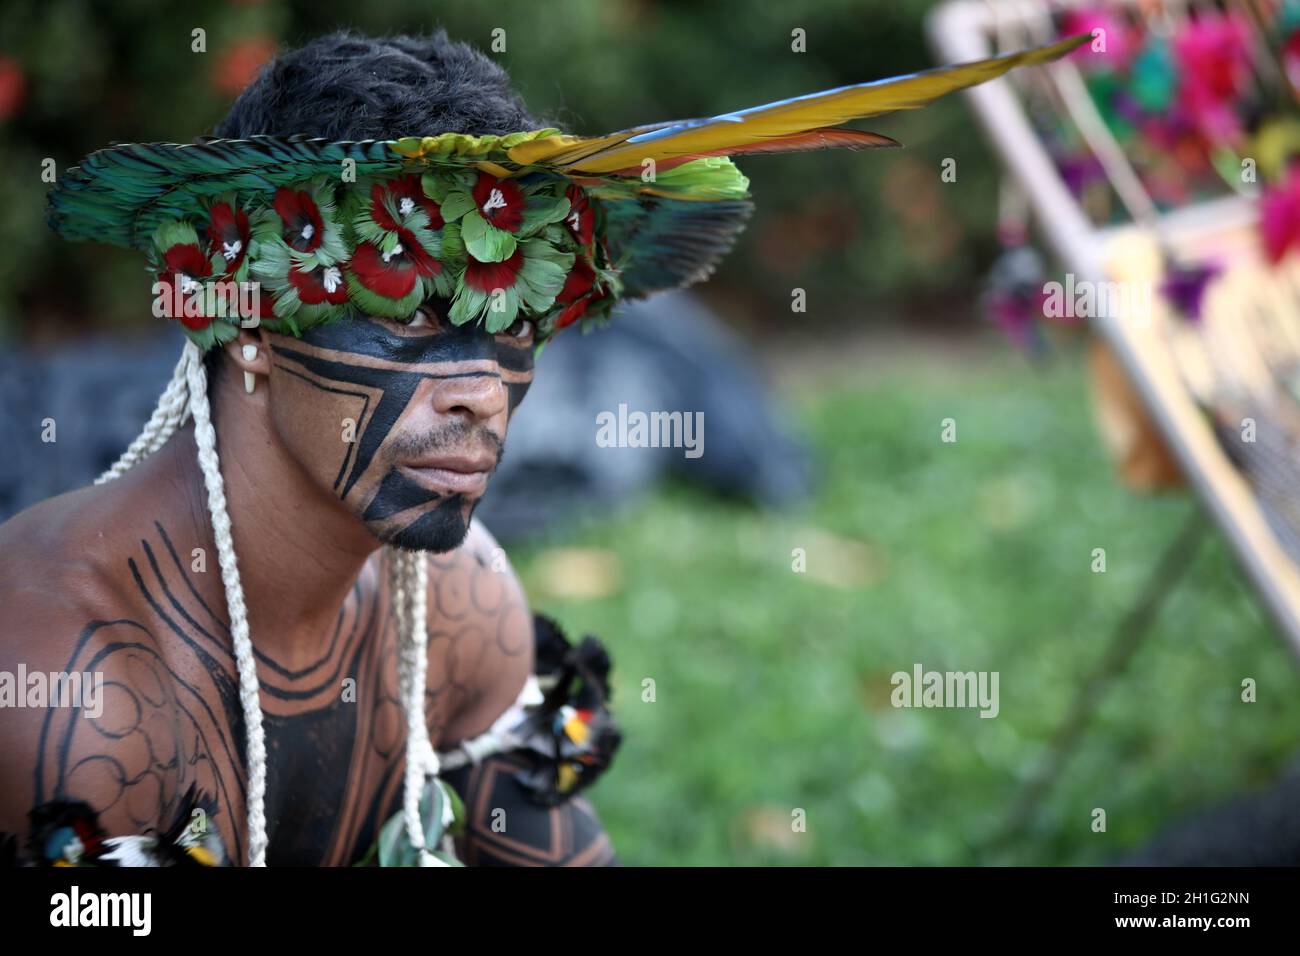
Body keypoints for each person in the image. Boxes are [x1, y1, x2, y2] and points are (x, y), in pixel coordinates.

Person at [0, 28, 1084, 867]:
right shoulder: (79, 691)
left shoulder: (459, 605)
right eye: (411, 312)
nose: (481, 392)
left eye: (514, 317)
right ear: (245, 321)